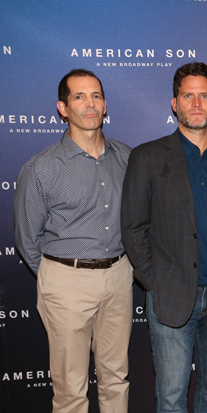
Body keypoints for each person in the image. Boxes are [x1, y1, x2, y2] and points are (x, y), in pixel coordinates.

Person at [120, 62, 207, 413]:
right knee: (172, 395)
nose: (196, 103)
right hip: (172, 296)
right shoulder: (147, 156)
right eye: (188, 95)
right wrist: (155, 282)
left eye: (204, 96)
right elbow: (133, 227)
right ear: (174, 103)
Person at [14, 69, 133, 412]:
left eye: (95, 95)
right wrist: (59, 277)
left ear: (105, 104)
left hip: (119, 277)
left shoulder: (126, 158)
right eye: (79, 97)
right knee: (70, 390)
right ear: (63, 108)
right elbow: (27, 239)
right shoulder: (41, 168)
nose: (90, 104)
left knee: (116, 378)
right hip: (66, 281)